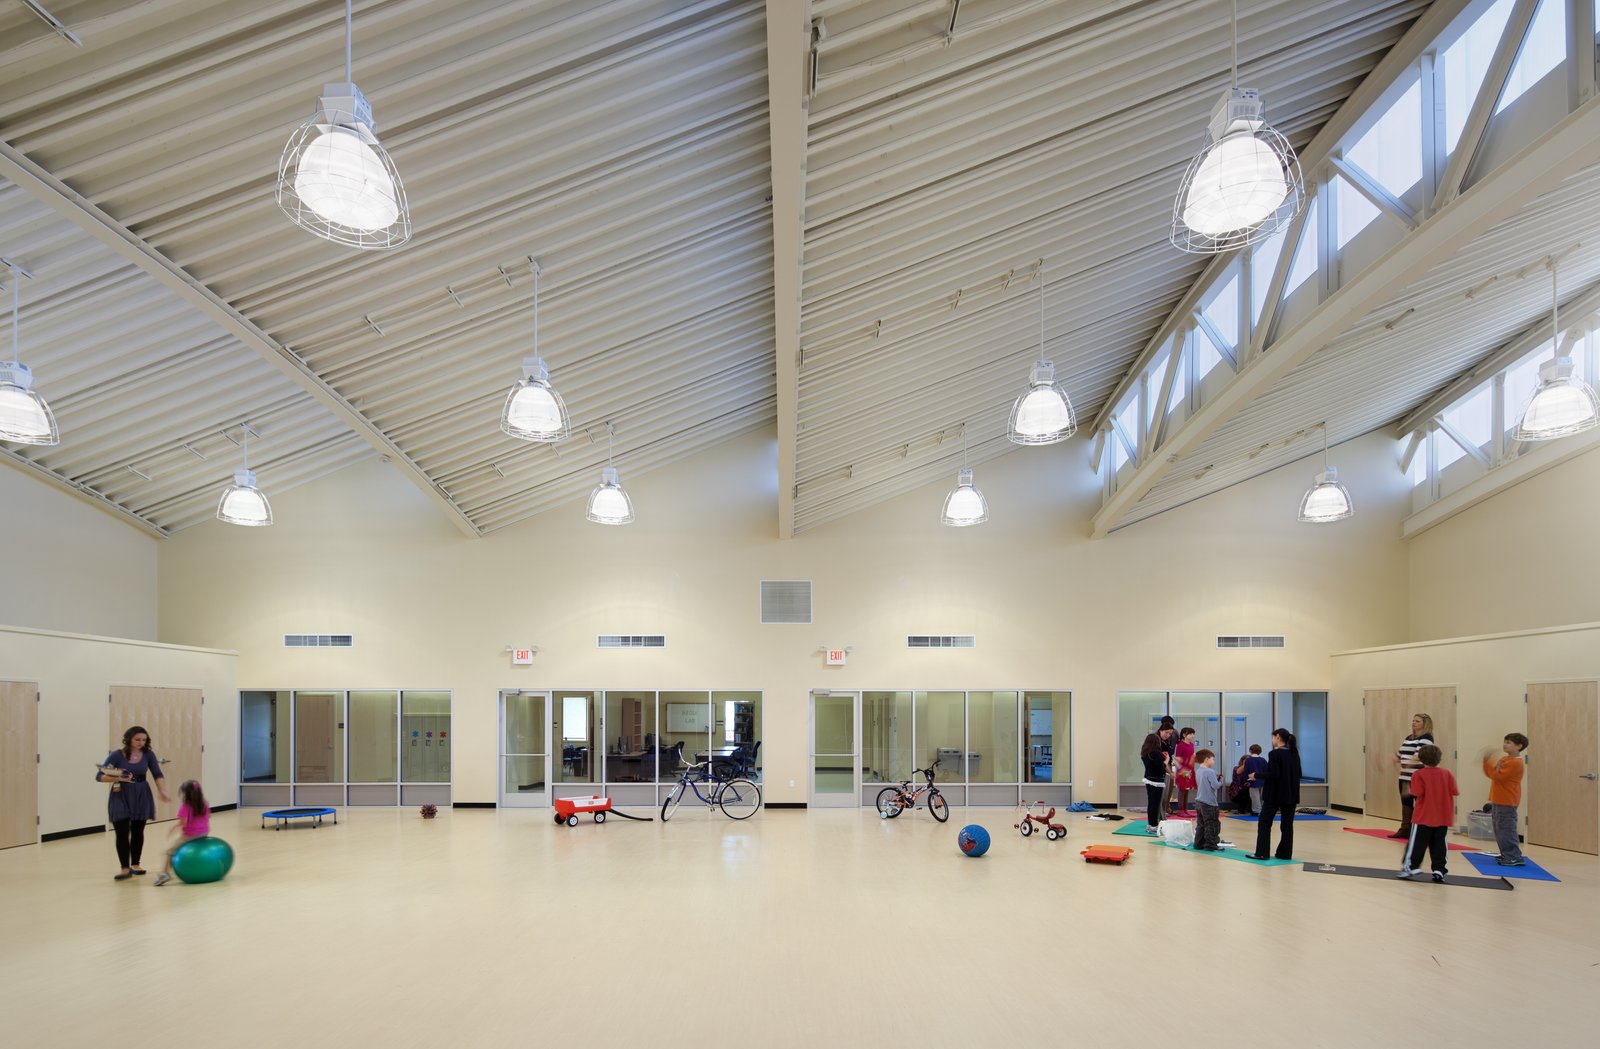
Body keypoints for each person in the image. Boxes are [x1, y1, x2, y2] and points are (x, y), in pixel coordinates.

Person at [97, 725, 170, 880]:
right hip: (121, 793)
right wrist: (117, 778)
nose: (140, 742)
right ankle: (124, 867)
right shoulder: (117, 755)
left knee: (138, 830)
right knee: (122, 830)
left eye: (143, 740)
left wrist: (162, 790)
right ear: (129, 739)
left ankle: (135, 864)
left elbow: (157, 774)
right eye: (137, 739)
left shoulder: (148, 754)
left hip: (141, 793)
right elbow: (99, 776)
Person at [1399, 744, 1458, 882]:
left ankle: (1411, 867)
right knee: (1439, 844)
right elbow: (1455, 791)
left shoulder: (1418, 774)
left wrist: (1408, 789)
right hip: (1443, 817)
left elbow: (1417, 793)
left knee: (1416, 843)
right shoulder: (1447, 773)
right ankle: (1439, 869)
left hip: (1423, 816)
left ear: (1421, 759)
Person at [1247, 728, 1301, 861]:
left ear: (1277, 737)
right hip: (1291, 794)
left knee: (1264, 823)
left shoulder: (1274, 754)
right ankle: (1285, 853)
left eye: (1272, 737)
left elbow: (1275, 774)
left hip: (1275, 794)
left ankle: (1262, 853)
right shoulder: (1294, 753)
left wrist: (1256, 775)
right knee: (1287, 826)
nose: (1272, 740)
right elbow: (1299, 773)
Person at [1482, 733, 1529, 867]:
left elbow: (1497, 776)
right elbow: (1492, 774)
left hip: (1507, 800)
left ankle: (1514, 856)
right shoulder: (1505, 759)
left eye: (1509, 742)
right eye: (1505, 742)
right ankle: (1506, 854)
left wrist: (1488, 762)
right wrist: (1488, 764)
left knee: (1507, 829)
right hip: (1498, 798)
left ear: (1519, 746)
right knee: (1499, 828)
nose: (1505, 744)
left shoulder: (1516, 763)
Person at [154, 780, 210, 886]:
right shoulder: (205, 804)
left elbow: (183, 822)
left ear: (185, 794)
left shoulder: (185, 806)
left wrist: (172, 828)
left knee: (169, 851)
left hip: (190, 836)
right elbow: (208, 817)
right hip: (204, 833)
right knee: (175, 848)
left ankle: (164, 874)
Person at [1391, 713, 1434, 839]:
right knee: (1406, 803)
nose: (1413, 723)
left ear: (1425, 724)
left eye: (1417, 721)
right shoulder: (1409, 737)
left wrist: (1407, 764)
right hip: (1404, 778)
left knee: (1419, 804)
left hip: (1417, 777)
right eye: (1413, 720)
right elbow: (1400, 754)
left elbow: (1420, 755)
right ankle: (1405, 829)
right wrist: (1391, 759)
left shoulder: (1427, 737)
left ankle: (1420, 831)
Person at [1191, 749, 1233, 851]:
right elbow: (1215, 785)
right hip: (1209, 803)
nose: (1213, 761)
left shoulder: (1199, 771)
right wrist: (1220, 780)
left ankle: (1199, 844)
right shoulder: (1210, 771)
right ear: (1206, 759)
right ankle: (1211, 845)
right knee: (1212, 824)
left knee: (1201, 824)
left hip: (1199, 801)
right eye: (1212, 759)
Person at [1139, 729, 1171, 835]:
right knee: (1155, 804)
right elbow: (1161, 769)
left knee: (1151, 803)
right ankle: (1154, 826)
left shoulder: (1145, 753)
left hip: (1148, 779)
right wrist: (1166, 761)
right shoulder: (1156, 754)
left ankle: (1150, 824)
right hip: (1157, 781)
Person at [1172, 727, 1197, 816]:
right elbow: (1177, 759)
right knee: (1182, 790)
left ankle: (1186, 809)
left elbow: (1192, 757)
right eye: (1190, 734)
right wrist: (1182, 769)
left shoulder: (1191, 745)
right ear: (1184, 735)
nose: (1192, 736)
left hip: (1190, 770)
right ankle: (1180, 810)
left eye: (1193, 734)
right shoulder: (1180, 745)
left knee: (1187, 790)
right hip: (1182, 771)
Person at [1156, 715, 1177, 817]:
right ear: (1161, 729)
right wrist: (1170, 771)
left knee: (1167, 790)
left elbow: (1168, 756)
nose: (1168, 735)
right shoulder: (1156, 740)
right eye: (1166, 732)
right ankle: (1160, 814)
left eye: (1170, 733)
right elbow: (1163, 759)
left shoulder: (1170, 737)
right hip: (1159, 770)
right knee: (1158, 795)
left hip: (1166, 766)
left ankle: (1164, 810)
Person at [1243, 744, 1268, 815]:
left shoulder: (1248, 760)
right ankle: (1264, 810)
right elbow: (1266, 771)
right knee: (1263, 797)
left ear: (1250, 751)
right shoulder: (1263, 760)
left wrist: (1246, 781)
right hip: (1263, 781)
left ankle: (1257, 811)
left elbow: (1246, 771)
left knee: (1255, 797)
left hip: (1252, 781)